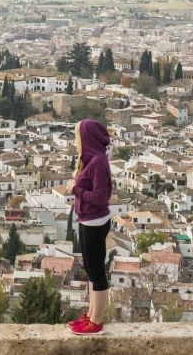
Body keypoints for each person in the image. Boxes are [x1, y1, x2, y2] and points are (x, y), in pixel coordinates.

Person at [67, 118, 112, 335]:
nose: (77, 141)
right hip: (87, 220)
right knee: (91, 271)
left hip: (95, 221)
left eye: (78, 136)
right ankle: (91, 315)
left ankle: (97, 321)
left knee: (97, 272)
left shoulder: (98, 162)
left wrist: (75, 189)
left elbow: (100, 197)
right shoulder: (92, 160)